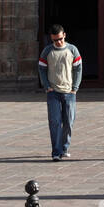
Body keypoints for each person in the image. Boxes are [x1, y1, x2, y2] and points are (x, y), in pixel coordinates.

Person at [39, 24, 82, 161]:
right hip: (53, 92)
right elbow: (41, 68)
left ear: (64, 35)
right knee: (55, 122)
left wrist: (75, 87)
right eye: (54, 40)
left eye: (60, 39)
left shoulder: (72, 50)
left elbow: (78, 69)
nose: (58, 42)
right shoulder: (47, 51)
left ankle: (65, 147)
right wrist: (46, 86)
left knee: (68, 121)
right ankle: (56, 152)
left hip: (69, 92)